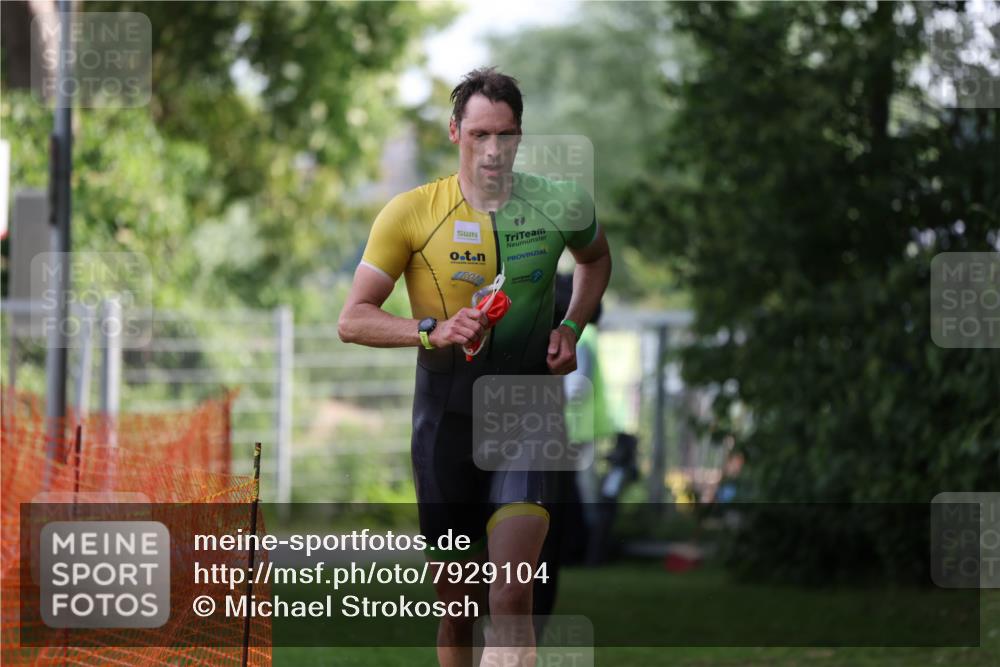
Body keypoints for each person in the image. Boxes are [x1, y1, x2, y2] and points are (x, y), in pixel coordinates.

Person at [338, 67, 611, 667]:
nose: (492, 150)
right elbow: (352, 319)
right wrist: (430, 330)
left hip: (527, 413)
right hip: (445, 422)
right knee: (458, 610)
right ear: (454, 131)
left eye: (505, 135)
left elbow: (595, 259)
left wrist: (571, 326)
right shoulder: (411, 213)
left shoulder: (559, 203)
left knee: (511, 594)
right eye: (479, 134)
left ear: (520, 136)